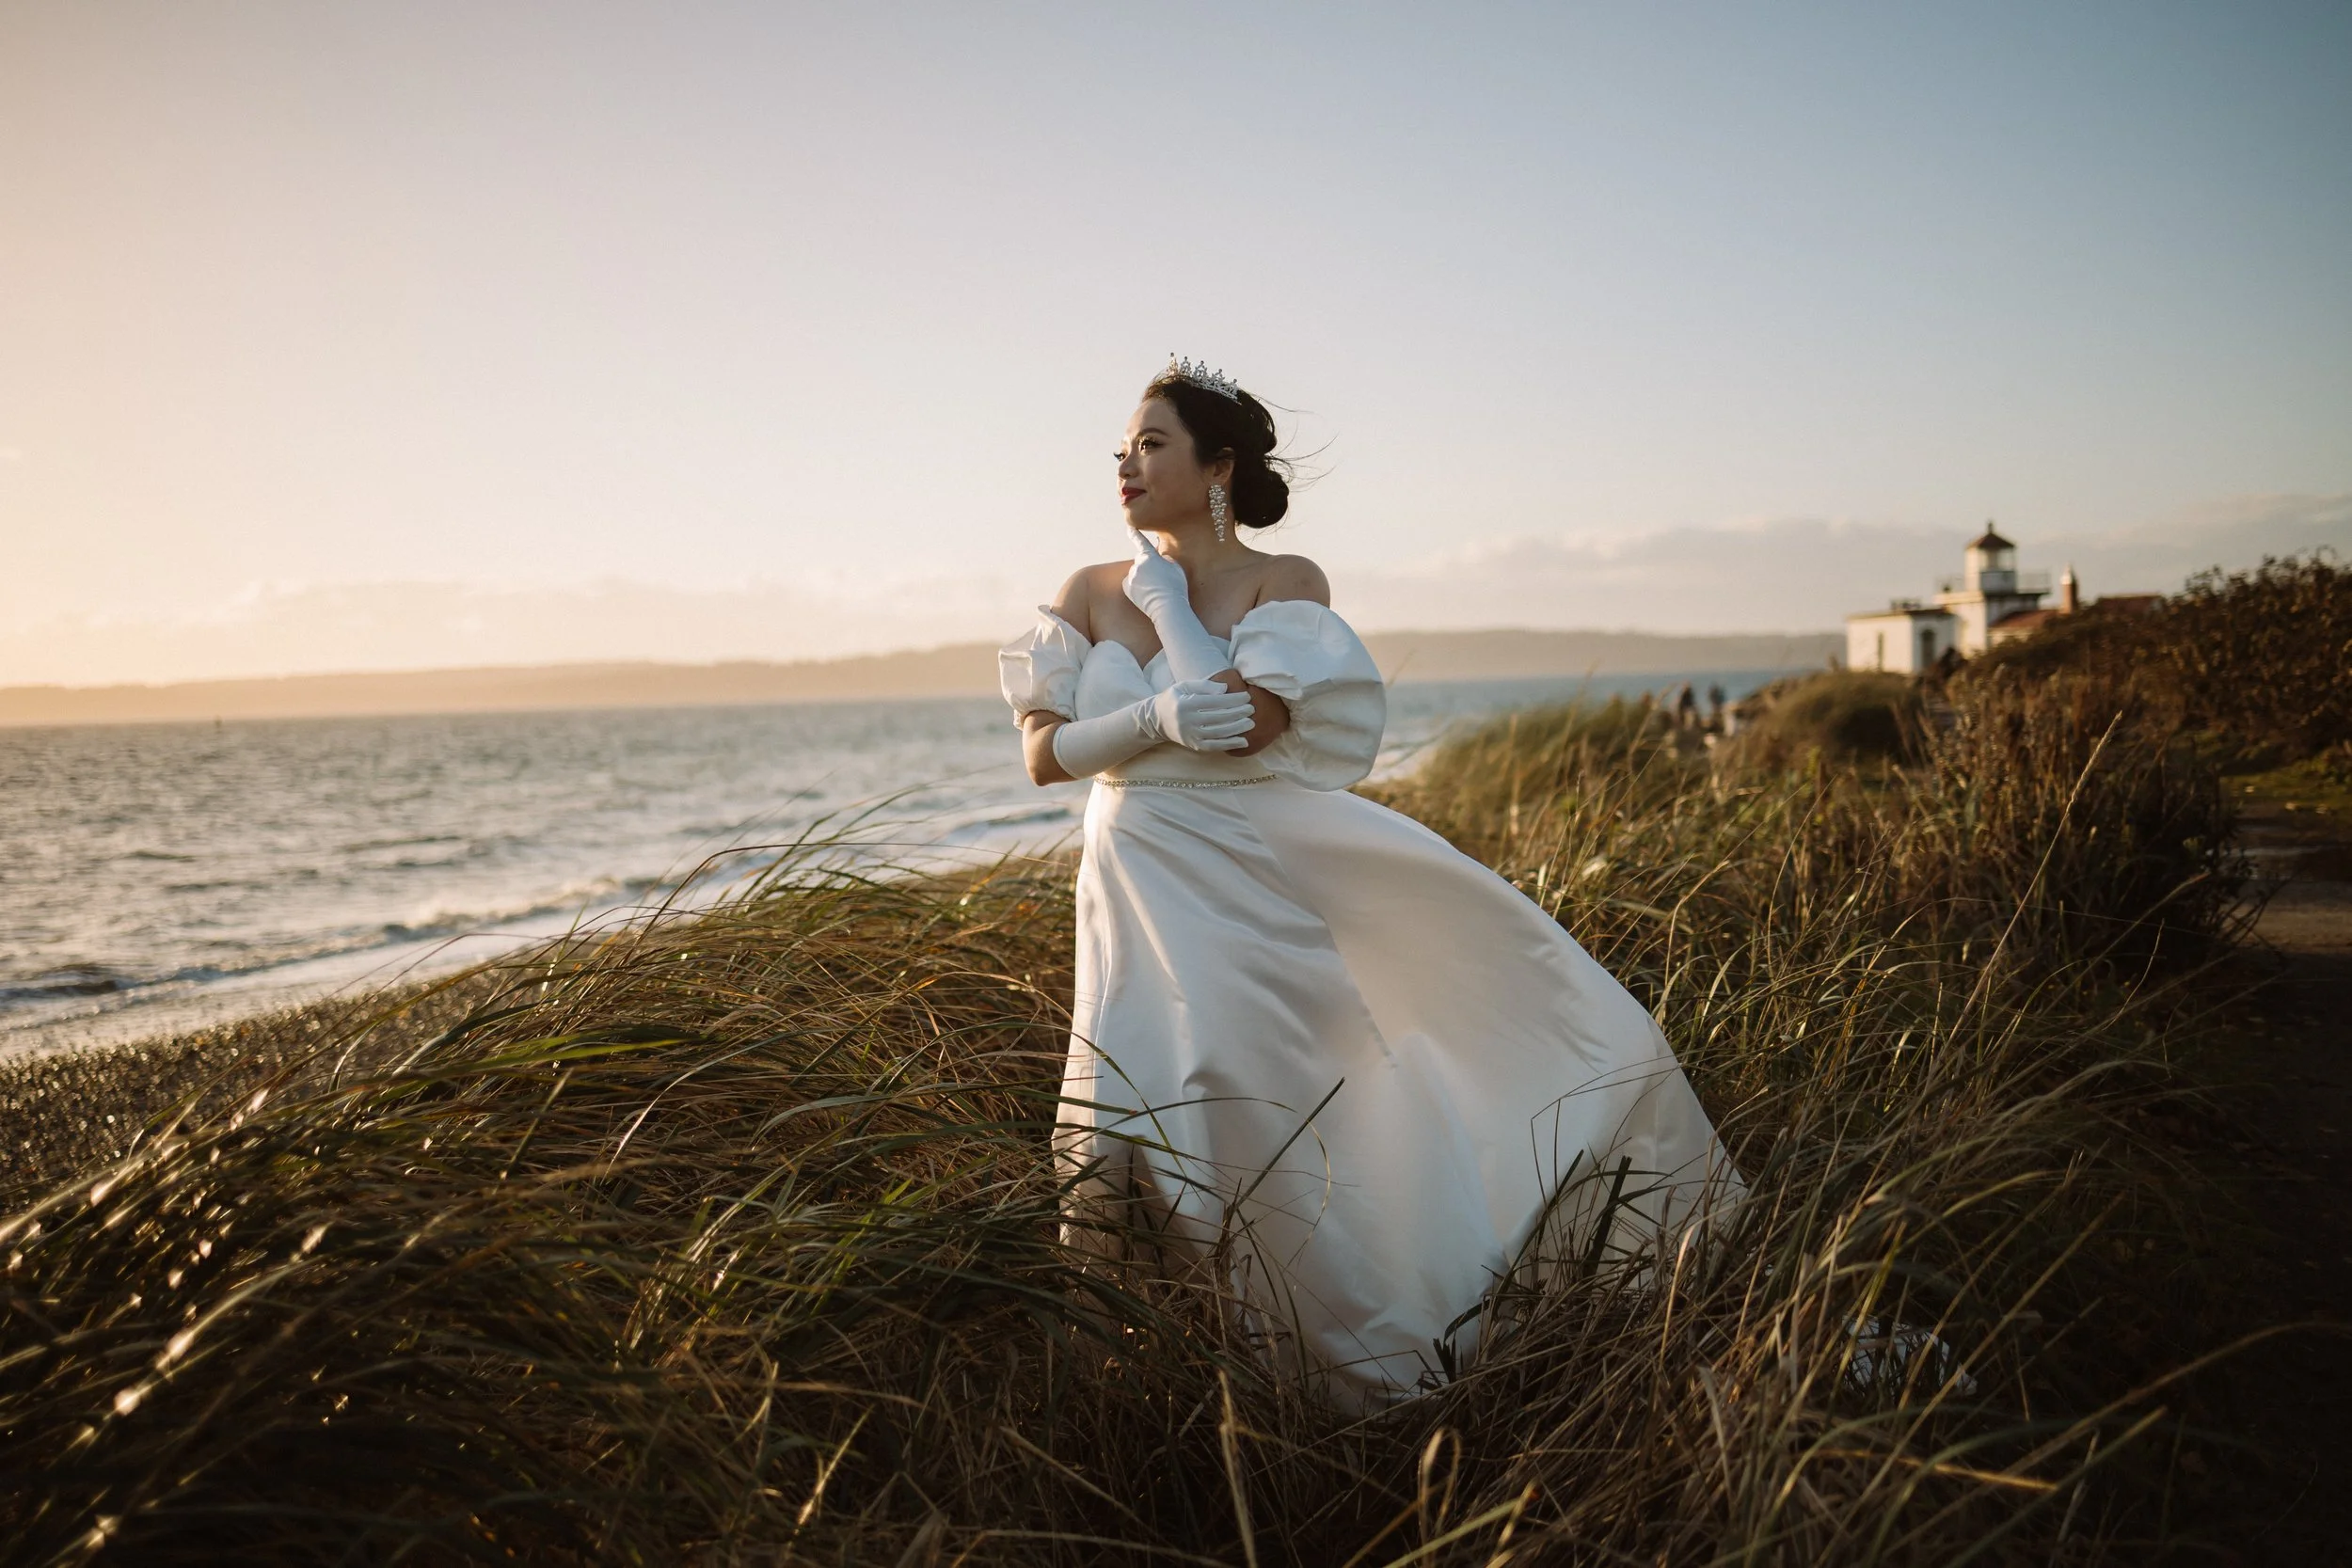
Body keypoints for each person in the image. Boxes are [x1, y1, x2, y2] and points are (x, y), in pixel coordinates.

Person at [998, 359, 1738, 1407]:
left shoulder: (1284, 581)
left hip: (1242, 874)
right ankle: (1157, 1375)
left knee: (1247, 1089)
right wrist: (1150, 719)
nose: (1125, 463)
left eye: (1152, 443)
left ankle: (1337, 1362)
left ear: (1218, 466)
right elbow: (1042, 755)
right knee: (1129, 1099)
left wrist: (1171, 616)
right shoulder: (1082, 591)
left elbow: (1249, 726)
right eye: (1120, 447)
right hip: (1130, 878)